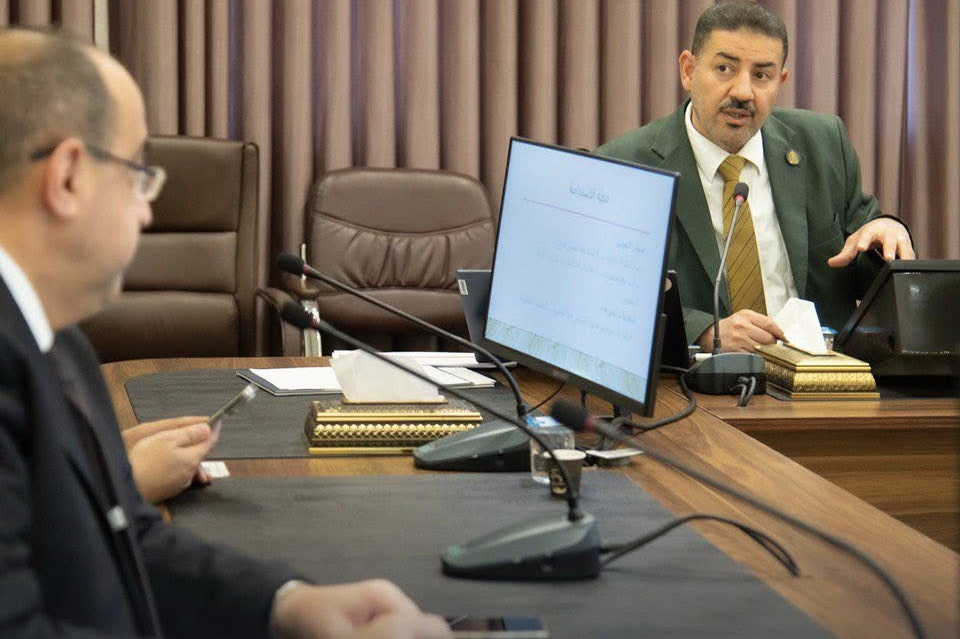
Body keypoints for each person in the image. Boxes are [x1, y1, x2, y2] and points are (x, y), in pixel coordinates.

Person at [0, 27, 450, 639]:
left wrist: (287, 605)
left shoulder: (61, 343)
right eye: (138, 176)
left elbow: (131, 542)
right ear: (69, 177)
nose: (146, 211)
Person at [597, 0, 916, 353]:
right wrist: (705, 331)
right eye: (724, 69)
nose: (742, 92)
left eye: (761, 75)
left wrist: (889, 234)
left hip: (820, 372)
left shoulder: (824, 143)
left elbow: (869, 267)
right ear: (688, 70)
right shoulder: (626, 165)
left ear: (780, 81)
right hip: (703, 377)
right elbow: (609, 296)